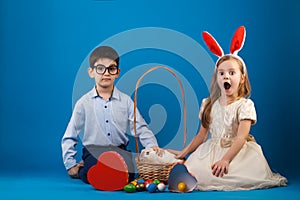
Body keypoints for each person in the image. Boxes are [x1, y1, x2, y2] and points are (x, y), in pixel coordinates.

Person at [168, 26, 287, 191]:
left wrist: (225, 159)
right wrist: (184, 152)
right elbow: (201, 136)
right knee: (194, 170)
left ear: (242, 78)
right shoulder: (209, 104)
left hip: (235, 152)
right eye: (222, 73)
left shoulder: (244, 105)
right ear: (217, 78)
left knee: (229, 174)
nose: (226, 77)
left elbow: (240, 138)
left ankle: (227, 169)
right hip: (212, 150)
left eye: (232, 73)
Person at [61, 46, 160, 184]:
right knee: (92, 172)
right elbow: (70, 135)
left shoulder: (125, 101)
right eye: (100, 68)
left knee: (129, 175)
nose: (106, 73)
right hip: (94, 152)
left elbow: (141, 127)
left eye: (111, 69)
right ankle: (84, 171)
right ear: (91, 72)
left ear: (117, 72)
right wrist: (70, 164)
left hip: (120, 151)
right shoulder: (83, 103)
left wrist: (152, 148)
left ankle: (111, 177)